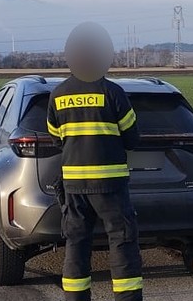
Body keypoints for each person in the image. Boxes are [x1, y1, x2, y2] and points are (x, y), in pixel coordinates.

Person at [47, 23, 143, 301]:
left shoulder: (58, 95)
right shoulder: (113, 93)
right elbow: (132, 138)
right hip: (110, 186)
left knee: (76, 243)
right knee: (122, 241)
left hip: (74, 186)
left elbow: (57, 138)